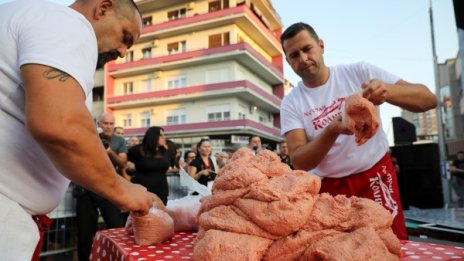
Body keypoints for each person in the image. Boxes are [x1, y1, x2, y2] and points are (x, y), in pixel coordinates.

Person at [0, 0, 154, 259]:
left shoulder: (26, 13)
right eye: (125, 38)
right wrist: (121, 190)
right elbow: (60, 123)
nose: (123, 51)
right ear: (103, 8)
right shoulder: (69, 23)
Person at [279, 22, 437, 240]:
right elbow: (299, 161)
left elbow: (428, 99)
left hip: (375, 176)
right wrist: (333, 129)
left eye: (307, 49)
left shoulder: (359, 72)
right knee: (337, 251)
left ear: (321, 46)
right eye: (294, 55)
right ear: (288, 61)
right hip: (329, 189)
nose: (303, 59)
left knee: (390, 244)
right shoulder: (291, 103)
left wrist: (387, 91)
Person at [76, 113, 129, 261]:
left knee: (117, 229)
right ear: (99, 124)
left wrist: (109, 151)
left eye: (112, 124)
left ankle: (117, 258)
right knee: (85, 234)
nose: (109, 127)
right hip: (86, 187)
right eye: (105, 123)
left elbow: (123, 164)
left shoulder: (119, 141)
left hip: (109, 188)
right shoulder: (88, 136)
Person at [128, 127, 171, 205]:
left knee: (160, 216)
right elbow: (124, 166)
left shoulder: (164, 151)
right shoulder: (136, 150)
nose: (164, 137)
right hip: (142, 193)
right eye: (161, 135)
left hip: (162, 192)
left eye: (164, 135)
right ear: (153, 136)